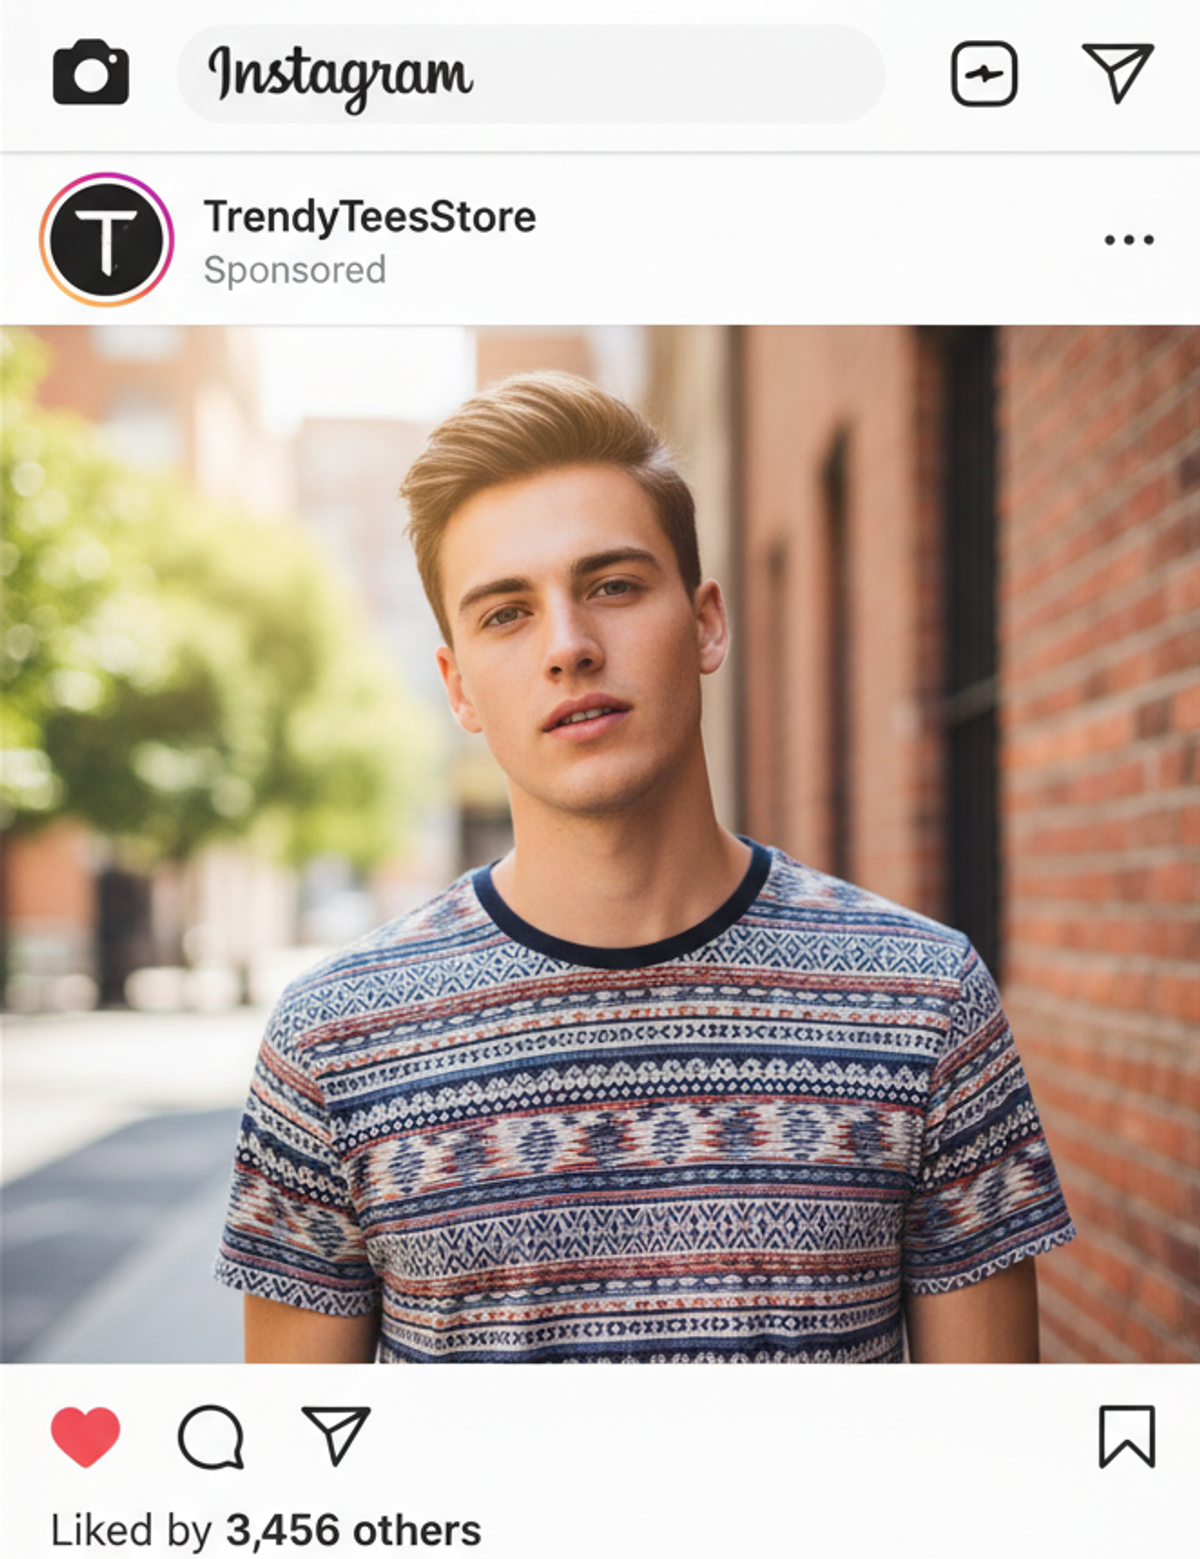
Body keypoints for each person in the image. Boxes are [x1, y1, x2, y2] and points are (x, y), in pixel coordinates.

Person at [215, 371, 1074, 1363]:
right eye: (506, 613)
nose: (569, 647)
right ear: (457, 687)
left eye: (612, 586)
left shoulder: (927, 1002)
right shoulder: (332, 1042)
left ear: (706, 621)